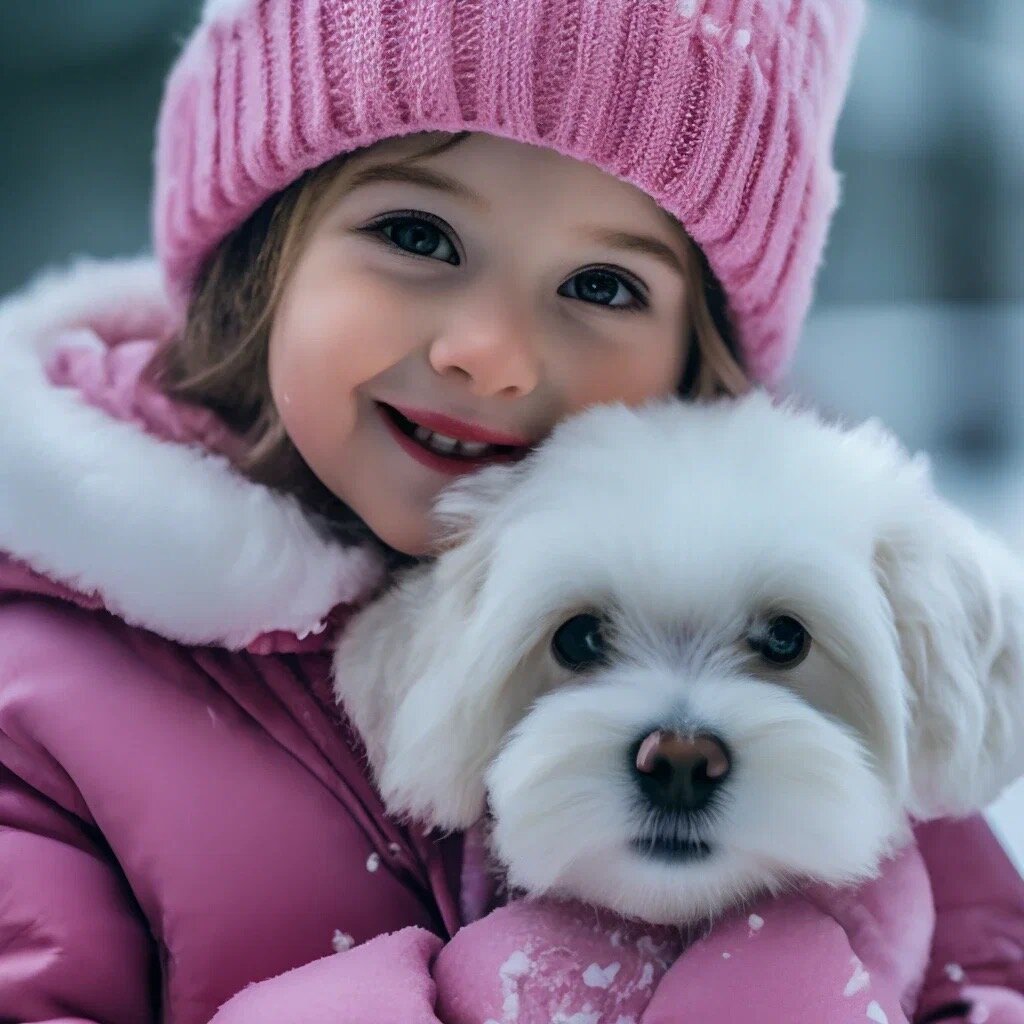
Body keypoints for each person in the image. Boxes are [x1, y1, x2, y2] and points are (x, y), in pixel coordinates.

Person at [0, 0, 1020, 1021]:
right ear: (259, 255)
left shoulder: (850, 649)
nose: (490, 351)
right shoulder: (34, 704)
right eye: (417, 235)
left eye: (602, 284)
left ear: (697, 350)